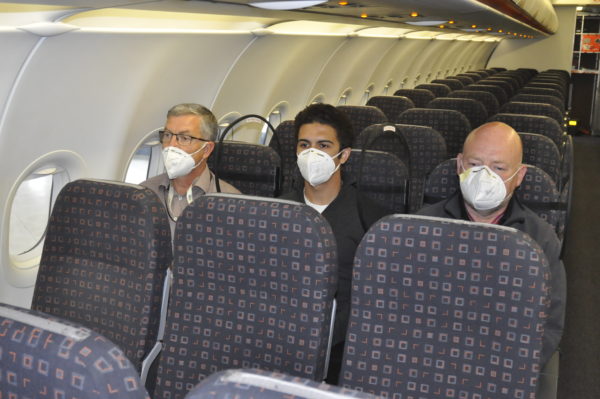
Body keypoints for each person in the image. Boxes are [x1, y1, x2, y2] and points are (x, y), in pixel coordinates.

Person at [417, 121, 566, 370]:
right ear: (459, 165)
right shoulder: (419, 228)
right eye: (475, 165)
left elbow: (548, 325)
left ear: (519, 176)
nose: (484, 176)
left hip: (503, 367)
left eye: (498, 168)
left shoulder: (540, 240)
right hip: (429, 360)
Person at [279, 103, 392, 383]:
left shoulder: (373, 221)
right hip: (277, 337)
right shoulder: (275, 212)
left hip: (342, 347)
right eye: (304, 144)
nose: (312, 153)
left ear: (344, 155)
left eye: (324, 145)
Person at [142, 103, 240, 234]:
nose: (171, 145)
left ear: (206, 149)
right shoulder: (145, 192)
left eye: (184, 138)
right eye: (167, 135)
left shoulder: (232, 202)